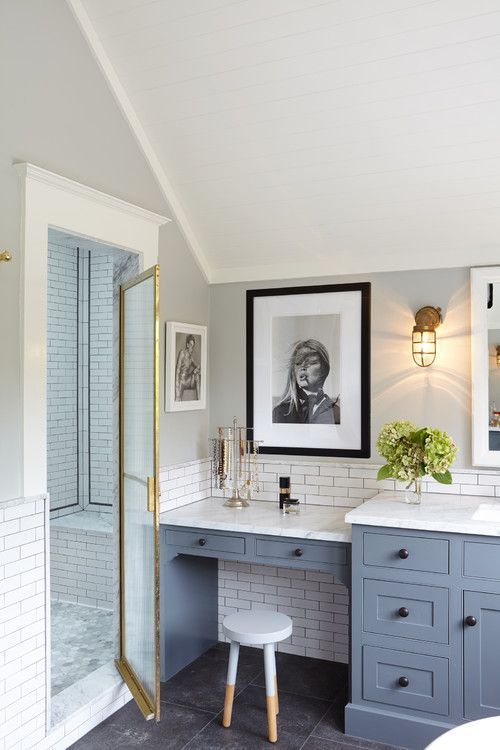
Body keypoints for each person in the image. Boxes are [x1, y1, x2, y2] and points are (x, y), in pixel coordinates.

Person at [272, 339, 340, 424]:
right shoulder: (280, 412)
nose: (303, 367)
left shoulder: (336, 413)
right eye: (298, 363)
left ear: (324, 369)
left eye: (311, 362)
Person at [175, 334, 201, 401]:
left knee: (197, 376)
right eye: (191, 345)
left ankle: (199, 400)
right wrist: (177, 388)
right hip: (181, 380)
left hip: (187, 380)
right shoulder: (182, 353)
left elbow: (198, 366)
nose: (192, 348)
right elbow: (177, 370)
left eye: (193, 346)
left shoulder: (191, 357)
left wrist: (195, 370)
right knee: (178, 399)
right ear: (187, 345)